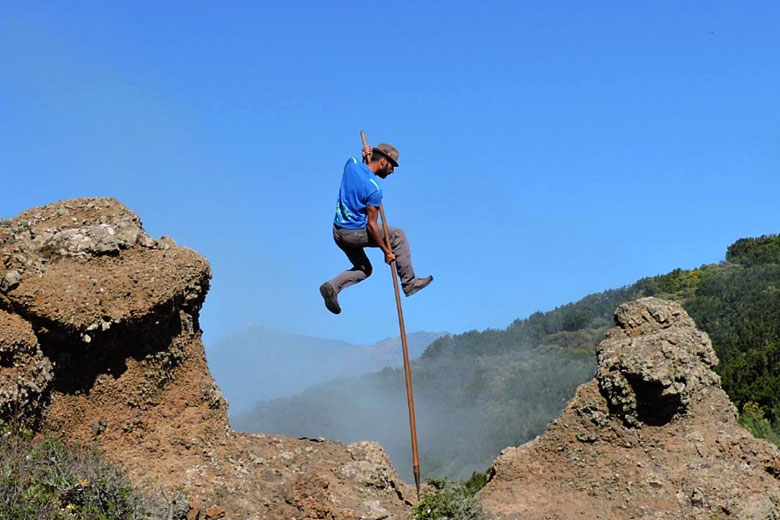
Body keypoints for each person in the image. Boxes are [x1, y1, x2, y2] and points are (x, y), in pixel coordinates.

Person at [319, 142, 433, 314]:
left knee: (364, 269)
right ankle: (409, 284)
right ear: (383, 162)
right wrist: (386, 251)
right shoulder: (374, 189)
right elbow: (371, 226)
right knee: (397, 235)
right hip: (353, 233)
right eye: (392, 166)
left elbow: (360, 168)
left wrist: (365, 158)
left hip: (338, 232)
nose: (392, 171)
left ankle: (332, 287)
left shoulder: (351, 164)